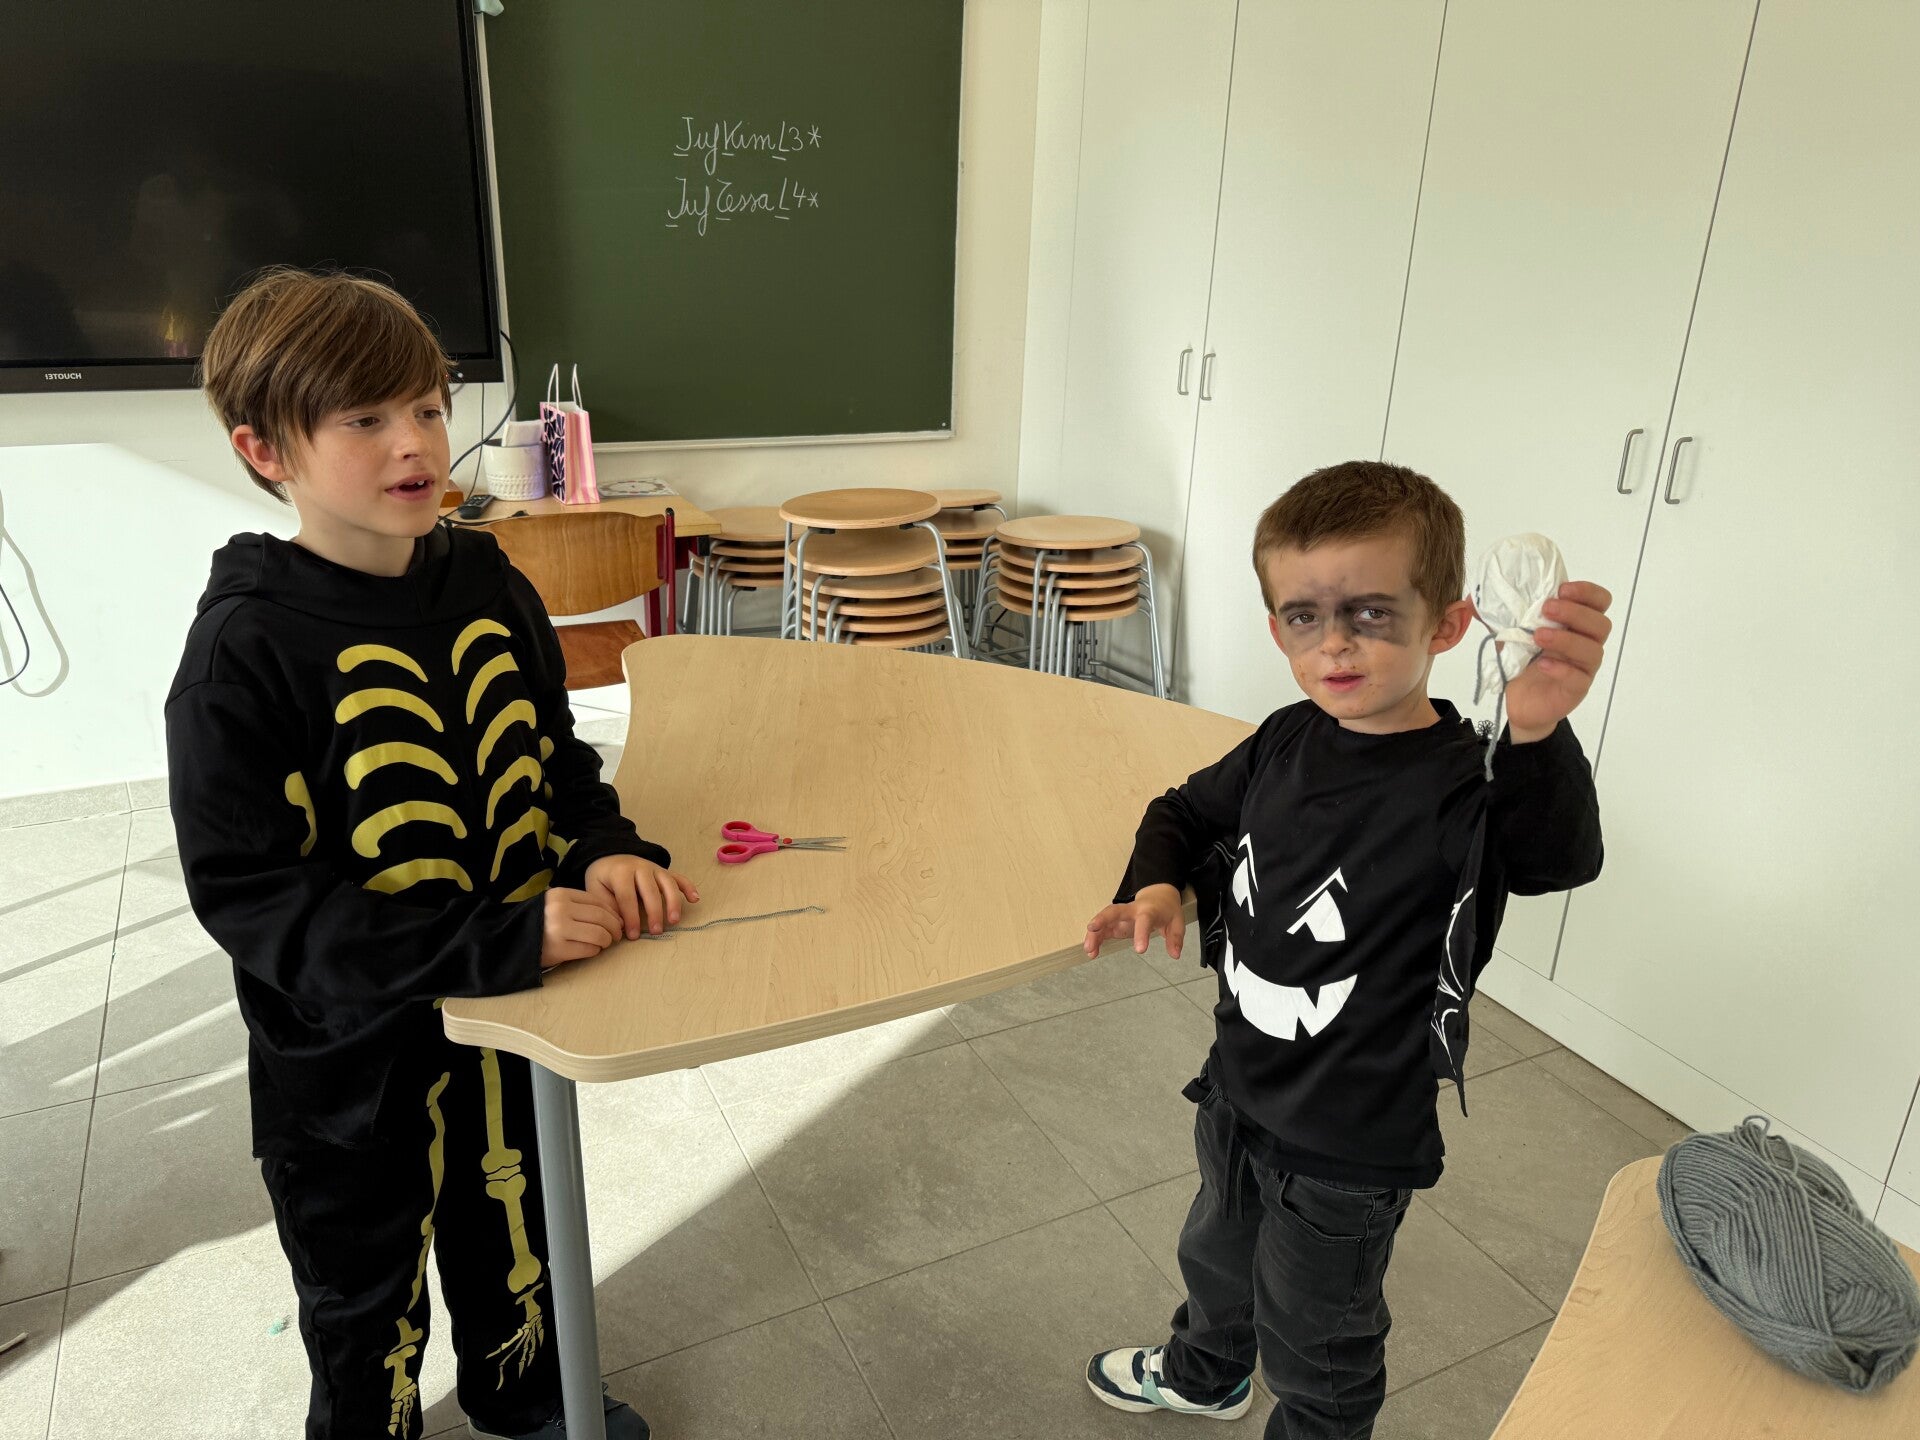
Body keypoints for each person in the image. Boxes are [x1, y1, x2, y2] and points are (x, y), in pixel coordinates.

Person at [167, 267, 693, 1440]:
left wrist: (602, 845)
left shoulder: (486, 577)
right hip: (345, 1069)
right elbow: (254, 900)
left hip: (508, 1023)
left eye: (427, 407)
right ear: (265, 450)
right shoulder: (243, 651)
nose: (414, 442)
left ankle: (524, 1395)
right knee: (365, 1300)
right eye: (364, 419)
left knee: (518, 1236)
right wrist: (500, 936)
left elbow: (551, 754)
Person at [1083, 461, 1608, 1438]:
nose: (1333, 643)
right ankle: (1205, 1373)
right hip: (1240, 1087)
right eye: (1303, 616)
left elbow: (1554, 859)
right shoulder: (1285, 740)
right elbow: (1183, 809)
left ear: (1446, 625)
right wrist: (1154, 883)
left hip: (1349, 1145)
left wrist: (1537, 733)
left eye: (1369, 613)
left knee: (1317, 1341)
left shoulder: (1466, 784)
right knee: (1216, 1258)